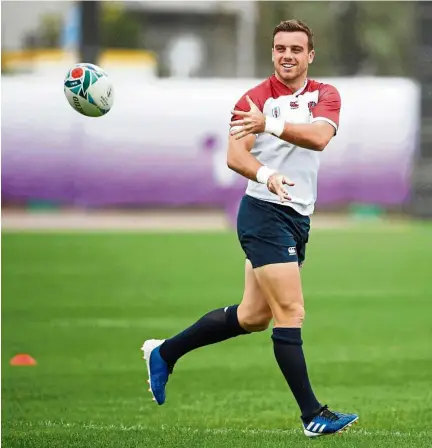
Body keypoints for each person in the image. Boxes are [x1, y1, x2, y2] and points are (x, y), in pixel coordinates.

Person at [141, 19, 359, 437]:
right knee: (291, 312)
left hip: (297, 217)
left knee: (253, 316)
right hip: (263, 214)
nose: (287, 55)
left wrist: (269, 126)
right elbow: (235, 156)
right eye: (280, 48)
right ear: (272, 52)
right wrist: (265, 175)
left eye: (296, 49)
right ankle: (312, 415)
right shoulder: (252, 99)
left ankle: (164, 353)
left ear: (310, 55)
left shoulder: (325, 95)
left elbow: (318, 138)